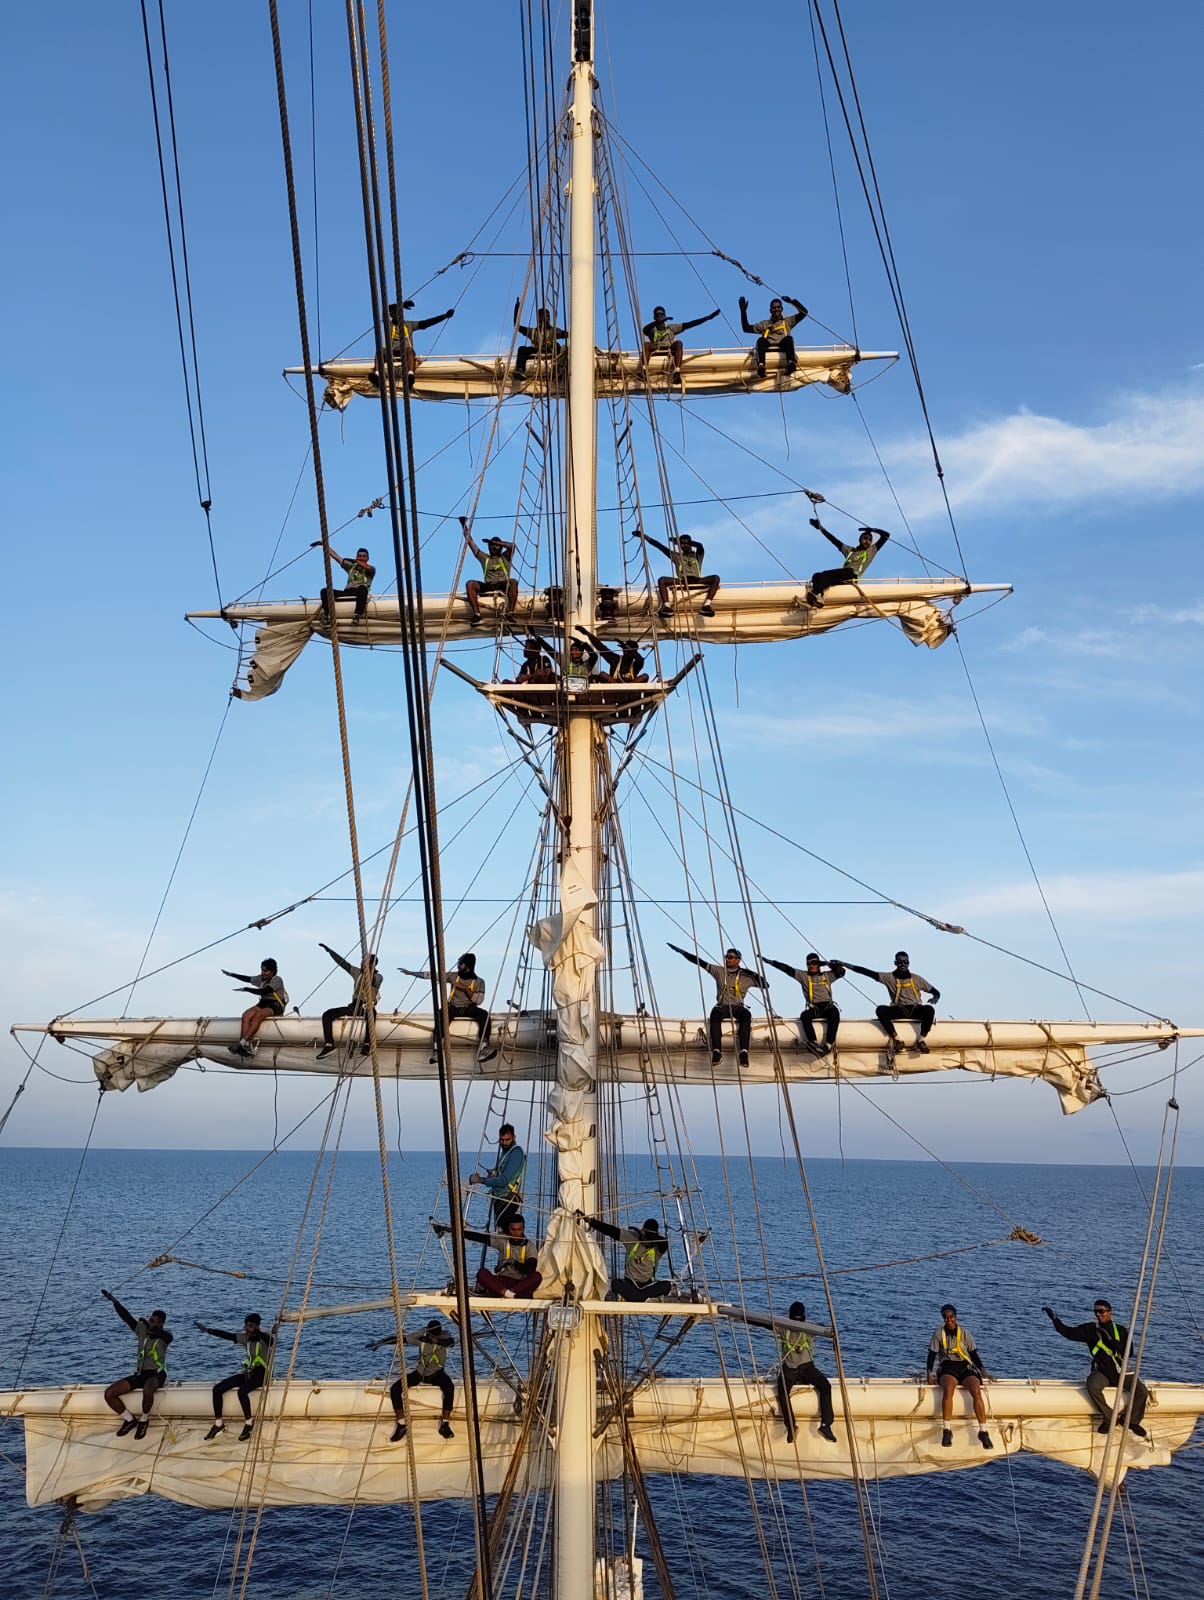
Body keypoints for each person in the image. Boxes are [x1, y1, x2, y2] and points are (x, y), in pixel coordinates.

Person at [1043, 1299, 1149, 1436]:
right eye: (1096, 1311)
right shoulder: (1090, 1330)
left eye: (1101, 1311)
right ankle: (1110, 1417)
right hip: (1103, 1372)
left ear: (1109, 1312)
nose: (1098, 1314)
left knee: (1141, 1391)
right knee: (1092, 1384)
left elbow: (1129, 1353)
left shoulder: (1121, 1330)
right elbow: (1068, 1333)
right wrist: (1055, 1319)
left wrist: (1112, 1342)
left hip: (1120, 1372)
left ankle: (1132, 1421)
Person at [668, 942, 768, 1067]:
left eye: (730, 957)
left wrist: (752, 973)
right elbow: (700, 962)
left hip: (738, 1007)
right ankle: (716, 1051)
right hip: (723, 1006)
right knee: (715, 1014)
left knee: (746, 1015)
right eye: (726, 956)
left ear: (737, 960)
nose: (727, 959)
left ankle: (743, 1052)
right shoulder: (719, 971)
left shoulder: (745, 976)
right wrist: (682, 952)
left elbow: (765, 985)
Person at [838, 951, 939, 1060]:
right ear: (895, 963)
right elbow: (866, 972)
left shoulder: (916, 978)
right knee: (881, 1010)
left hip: (915, 1009)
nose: (903, 965)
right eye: (900, 962)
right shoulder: (889, 977)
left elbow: (935, 991)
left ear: (909, 963)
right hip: (900, 1009)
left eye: (905, 962)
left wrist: (935, 998)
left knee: (929, 1010)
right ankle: (897, 1039)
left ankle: (921, 1040)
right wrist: (844, 964)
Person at [368, 1318, 455, 1442]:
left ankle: (445, 1424)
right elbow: (401, 1339)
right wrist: (381, 1342)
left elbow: (451, 1342)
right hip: (420, 1373)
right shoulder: (422, 1337)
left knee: (449, 1387)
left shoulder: (445, 1336)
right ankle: (402, 1424)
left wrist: (435, 1340)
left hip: (436, 1374)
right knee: (395, 1389)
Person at [101, 1290, 173, 1440]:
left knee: (148, 1389)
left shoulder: (166, 1336)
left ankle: (144, 1420)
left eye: (154, 1321)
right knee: (109, 1393)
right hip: (141, 1373)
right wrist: (113, 1300)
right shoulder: (142, 1330)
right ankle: (129, 1419)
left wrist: (151, 1327)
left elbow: (162, 1335)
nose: (151, 1323)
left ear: (161, 1323)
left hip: (157, 1374)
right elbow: (126, 1317)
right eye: (150, 1320)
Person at [399, 952, 496, 1061]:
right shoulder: (453, 976)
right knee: (441, 1014)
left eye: (460, 963)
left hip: (468, 1008)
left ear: (467, 965)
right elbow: (432, 975)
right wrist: (412, 973)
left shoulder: (479, 982)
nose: (458, 965)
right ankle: (437, 1050)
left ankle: (483, 1048)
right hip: (453, 1007)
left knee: (484, 1015)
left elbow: (478, 1000)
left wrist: (465, 988)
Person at [196, 1313, 275, 1442]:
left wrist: (257, 1332)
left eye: (250, 1326)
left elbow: (272, 1342)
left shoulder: (265, 1339)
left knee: (242, 1391)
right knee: (217, 1389)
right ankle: (218, 1425)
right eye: (246, 1325)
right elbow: (228, 1335)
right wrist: (208, 1330)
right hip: (250, 1372)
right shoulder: (246, 1338)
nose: (246, 1328)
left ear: (257, 1326)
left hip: (263, 1374)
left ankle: (249, 1424)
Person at [926, 1302, 993, 1449]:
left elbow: (974, 1354)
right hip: (948, 1366)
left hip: (964, 1365)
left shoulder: (965, 1333)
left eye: (951, 1317)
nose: (949, 1320)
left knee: (976, 1390)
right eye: (946, 1317)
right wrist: (929, 1372)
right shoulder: (939, 1333)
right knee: (949, 1388)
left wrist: (982, 1370)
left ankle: (983, 1431)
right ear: (943, 1318)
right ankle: (947, 1430)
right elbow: (932, 1354)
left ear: (955, 1317)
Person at [434, 1215, 543, 1299]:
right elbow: (480, 1237)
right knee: (482, 1273)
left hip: (519, 1285)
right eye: (513, 1229)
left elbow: (530, 1269)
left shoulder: (529, 1246)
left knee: (537, 1276)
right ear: (509, 1229)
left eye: (519, 1229)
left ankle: (510, 1293)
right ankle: (509, 1294)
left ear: (523, 1229)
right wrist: (451, 1230)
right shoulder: (503, 1241)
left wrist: (512, 1262)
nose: (516, 1232)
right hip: (502, 1284)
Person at [775, 1301, 837, 1444]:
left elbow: (764, 1323)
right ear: (804, 1316)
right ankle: (796, 1426)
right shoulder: (809, 1328)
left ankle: (820, 1425)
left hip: (799, 1367)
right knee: (824, 1386)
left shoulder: (784, 1327)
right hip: (800, 1368)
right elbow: (825, 1330)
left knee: (784, 1391)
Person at [765, 952, 845, 1056]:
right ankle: (813, 1042)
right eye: (809, 964)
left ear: (818, 964)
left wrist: (826, 963)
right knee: (804, 1015)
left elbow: (841, 972)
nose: (812, 966)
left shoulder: (827, 976)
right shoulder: (803, 976)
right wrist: (771, 962)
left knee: (835, 1013)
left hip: (827, 1006)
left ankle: (829, 1044)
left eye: (814, 963)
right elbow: (787, 969)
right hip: (815, 1007)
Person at [316, 942, 382, 1059]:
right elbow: (343, 963)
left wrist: (367, 970)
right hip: (354, 1006)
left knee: (372, 1015)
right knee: (327, 1014)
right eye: (362, 961)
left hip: (367, 1006)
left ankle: (367, 1044)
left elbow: (371, 981)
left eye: (364, 961)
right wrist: (330, 951)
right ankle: (329, 1044)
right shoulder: (356, 972)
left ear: (372, 964)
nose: (361, 963)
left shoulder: (379, 977)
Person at [582, 1213, 671, 1301]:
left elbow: (665, 1243)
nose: (646, 1241)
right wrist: (592, 1222)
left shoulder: (658, 1248)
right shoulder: (632, 1239)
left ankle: (639, 1298)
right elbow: (611, 1231)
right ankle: (643, 1298)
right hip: (630, 1284)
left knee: (667, 1285)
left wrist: (652, 1237)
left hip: (647, 1286)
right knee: (615, 1284)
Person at [804, 518, 890, 608]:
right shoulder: (850, 551)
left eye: (869, 540)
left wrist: (872, 530)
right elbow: (834, 540)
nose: (867, 541)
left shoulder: (871, 551)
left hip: (851, 574)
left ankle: (816, 593)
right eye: (865, 538)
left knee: (826, 574)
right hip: (843, 575)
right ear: (860, 539)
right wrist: (821, 528)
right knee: (817, 576)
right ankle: (819, 598)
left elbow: (886, 535)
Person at [639, 529, 720, 618]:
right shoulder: (676, 556)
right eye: (682, 544)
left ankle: (707, 605)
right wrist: (644, 536)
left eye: (686, 543)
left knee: (716, 578)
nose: (684, 546)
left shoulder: (698, 556)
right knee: (662, 580)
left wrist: (682, 541)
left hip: (697, 581)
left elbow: (700, 546)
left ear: (690, 544)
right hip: (682, 581)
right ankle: (667, 607)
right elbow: (659, 546)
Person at [222, 958, 288, 1058]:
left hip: (275, 1004)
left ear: (272, 971)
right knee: (246, 1015)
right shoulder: (261, 978)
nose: (263, 973)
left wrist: (246, 989)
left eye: (266, 971)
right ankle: (245, 1045)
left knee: (258, 1016)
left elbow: (265, 991)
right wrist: (232, 974)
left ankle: (242, 1043)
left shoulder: (277, 979)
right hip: (263, 1003)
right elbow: (248, 979)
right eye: (262, 970)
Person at [641, 304, 720, 385]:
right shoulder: (651, 329)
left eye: (661, 314)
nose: (659, 316)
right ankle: (643, 371)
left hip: (669, 349)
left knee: (679, 343)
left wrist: (707, 318)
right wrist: (659, 322)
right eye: (657, 315)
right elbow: (645, 330)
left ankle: (677, 372)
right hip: (656, 349)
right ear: (654, 317)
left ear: (664, 316)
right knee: (646, 344)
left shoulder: (671, 327)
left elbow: (689, 324)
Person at [461, 516, 518, 626]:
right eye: (491, 545)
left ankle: (510, 614)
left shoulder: (505, 557)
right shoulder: (484, 558)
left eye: (496, 545)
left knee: (513, 582)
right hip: (489, 586)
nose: (494, 547)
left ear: (501, 547)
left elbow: (512, 546)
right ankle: (477, 615)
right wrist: (464, 526)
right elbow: (470, 542)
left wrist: (496, 542)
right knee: (470, 584)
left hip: (503, 585)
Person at [384, 299, 454, 389]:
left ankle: (410, 375)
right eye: (394, 313)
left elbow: (426, 323)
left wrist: (444, 316)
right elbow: (386, 310)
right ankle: (377, 374)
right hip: (392, 354)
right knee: (380, 351)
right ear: (391, 315)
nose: (396, 314)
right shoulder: (389, 325)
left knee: (410, 350)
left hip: (405, 354)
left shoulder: (409, 325)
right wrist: (402, 304)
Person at [738, 293, 807, 380]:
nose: (776, 309)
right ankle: (761, 366)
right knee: (760, 340)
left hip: (783, 346)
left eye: (778, 307)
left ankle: (790, 363)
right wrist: (743, 312)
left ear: (782, 309)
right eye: (774, 308)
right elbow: (746, 328)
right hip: (768, 346)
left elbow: (804, 312)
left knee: (789, 339)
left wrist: (792, 301)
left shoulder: (788, 321)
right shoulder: (764, 324)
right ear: (770, 310)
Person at [470, 1122, 526, 1230]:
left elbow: (504, 1180)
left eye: (507, 1140)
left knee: (506, 1234)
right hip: (501, 1198)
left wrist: (481, 1180)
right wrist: (493, 1177)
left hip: (507, 1199)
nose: (504, 1143)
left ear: (514, 1137)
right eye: (501, 1140)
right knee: (502, 1232)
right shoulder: (507, 1152)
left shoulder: (516, 1153)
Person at [318, 543, 376, 623]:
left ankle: (357, 615)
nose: (361, 557)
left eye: (364, 556)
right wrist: (324, 545)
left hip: (359, 593)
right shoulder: (351, 567)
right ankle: (327, 615)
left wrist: (355, 561)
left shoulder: (371, 570)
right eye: (359, 556)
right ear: (357, 557)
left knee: (363, 588)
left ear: (367, 558)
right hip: (347, 592)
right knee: (325, 591)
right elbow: (336, 556)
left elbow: (367, 567)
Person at [574, 625, 648, 683]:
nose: (625, 652)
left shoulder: (636, 665)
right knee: (602, 674)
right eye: (624, 649)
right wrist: (587, 634)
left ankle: (628, 687)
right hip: (614, 684)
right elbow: (601, 648)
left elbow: (640, 660)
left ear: (634, 652)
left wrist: (628, 649)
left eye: (627, 650)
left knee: (645, 676)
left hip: (631, 686)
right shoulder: (615, 659)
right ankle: (620, 686)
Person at [513, 301, 568, 378]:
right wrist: (517, 310)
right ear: (539, 318)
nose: (548, 318)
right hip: (536, 350)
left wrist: (569, 334)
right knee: (522, 349)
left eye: (549, 316)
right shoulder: (532, 331)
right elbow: (517, 326)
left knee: (557, 345)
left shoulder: (553, 330)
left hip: (550, 350)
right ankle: (520, 369)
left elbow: (563, 334)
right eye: (546, 316)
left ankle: (559, 366)